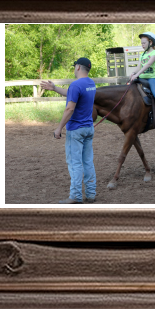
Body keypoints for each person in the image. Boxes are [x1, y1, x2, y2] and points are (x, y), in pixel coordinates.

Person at [41, 57, 97, 204]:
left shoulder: (75, 85)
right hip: (88, 128)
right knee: (88, 162)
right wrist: (54, 88)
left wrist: (59, 128)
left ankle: (76, 196)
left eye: (74, 67)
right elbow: (73, 94)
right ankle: (91, 194)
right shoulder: (91, 83)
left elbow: (69, 108)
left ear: (78, 67)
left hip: (76, 130)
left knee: (75, 163)